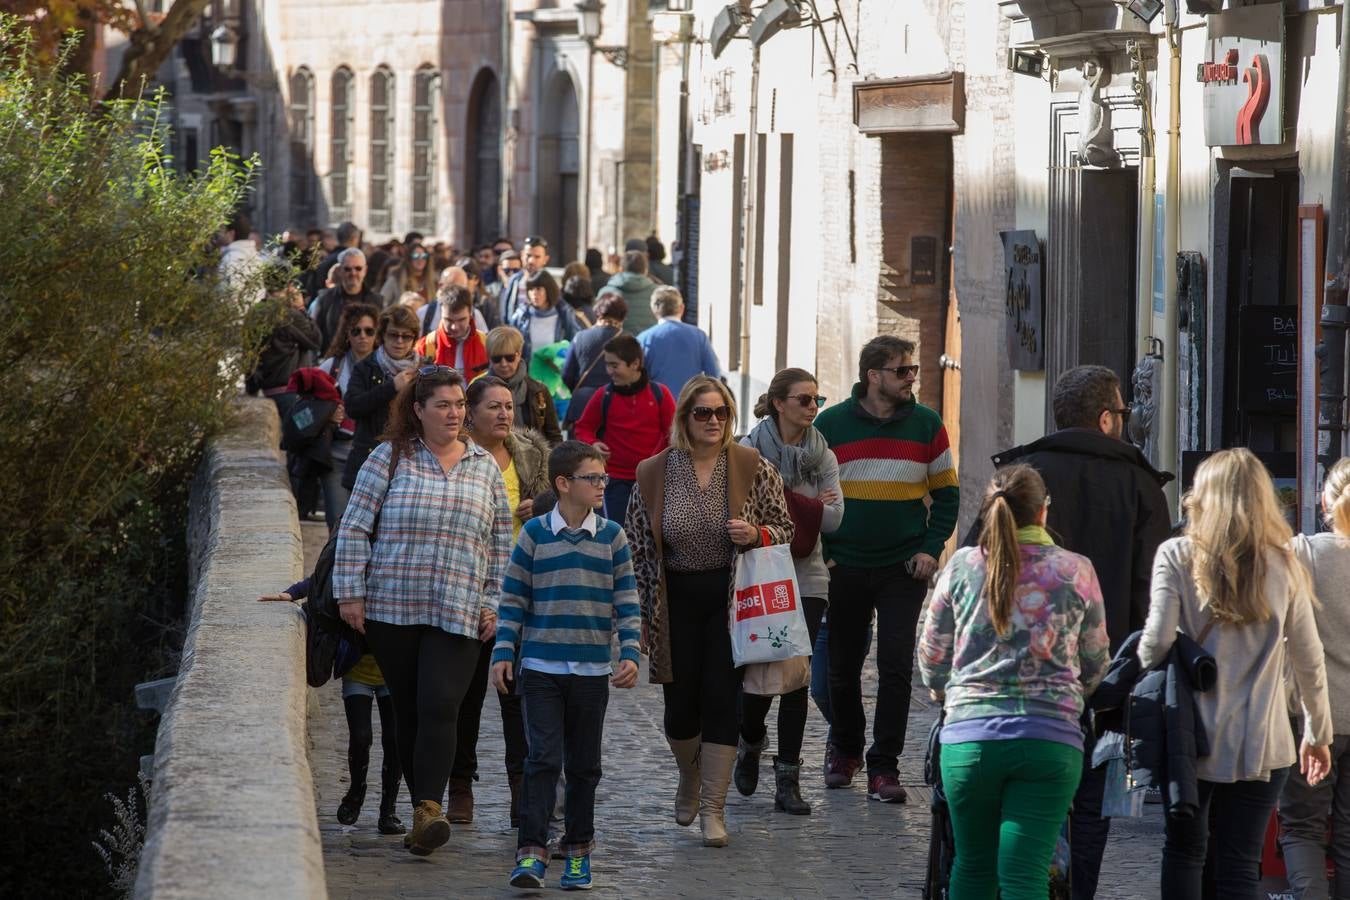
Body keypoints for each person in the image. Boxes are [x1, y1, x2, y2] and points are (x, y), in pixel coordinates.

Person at [977, 363, 1172, 899]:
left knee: (1017, 804)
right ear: (1108, 418)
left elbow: (974, 570)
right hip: (1101, 681)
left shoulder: (1021, 476)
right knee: (1089, 806)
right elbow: (1149, 593)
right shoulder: (1139, 485)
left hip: (1009, 681)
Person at [333, 366, 512, 857]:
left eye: (459, 404)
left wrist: (494, 603)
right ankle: (422, 814)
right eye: (443, 405)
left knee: (440, 704)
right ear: (418, 410)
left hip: (460, 608)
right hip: (393, 607)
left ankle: (429, 806)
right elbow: (353, 528)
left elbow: (500, 545)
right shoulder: (388, 459)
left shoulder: (484, 467)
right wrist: (350, 593)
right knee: (409, 711)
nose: (454, 413)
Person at [1143, 448, 1332, 900]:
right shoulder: (1285, 564)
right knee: (1240, 866)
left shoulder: (1177, 555)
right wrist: (1317, 732)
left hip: (1191, 739)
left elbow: (1155, 645)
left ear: (1201, 497)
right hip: (1263, 744)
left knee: (1185, 852)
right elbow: (1309, 659)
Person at [918, 464, 1110, 899]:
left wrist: (946, 692)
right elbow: (1097, 662)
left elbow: (931, 657)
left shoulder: (962, 566)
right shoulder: (1075, 571)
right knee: (1025, 873)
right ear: (1044, 512)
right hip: (1049, 740)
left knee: (971, 866)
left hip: (970, 739)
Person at [625, 376, 795, 847]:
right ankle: (690, 775)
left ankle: (714, 810)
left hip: (730, 600)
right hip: (674, 599)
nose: (714, 421)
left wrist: (756, 534)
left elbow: (784, 527)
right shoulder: (654, 472)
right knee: (680, 710)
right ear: (685, 418)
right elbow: (638, 547)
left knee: (722, 701)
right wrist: (638, 615)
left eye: (722, 413)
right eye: (703, 413)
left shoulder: (750, 465)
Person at [491, 441, 642, 890]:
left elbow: (628, 602)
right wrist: (503, 653)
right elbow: (513, 600)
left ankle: (578, 853)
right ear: (563, 484)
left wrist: (630, 652)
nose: (601, 485)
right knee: (541, 760)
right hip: (540, 668)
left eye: (603, 478)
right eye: (592, 478)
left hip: (593, 672)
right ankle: (531, 854)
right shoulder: (535, 534)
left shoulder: (612, 536)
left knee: (583, 767)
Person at [814, 334, 958, 802]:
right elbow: (809, 491)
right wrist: (825, 550)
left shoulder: (927, 424)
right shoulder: (831, 424)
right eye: (902, 370)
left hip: (903, 567)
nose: (912, 377)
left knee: (896, 667)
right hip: (845, 564)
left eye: (912, 369)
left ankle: (885, 765)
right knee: (842, 667)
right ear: (873, 375)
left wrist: (931, 548)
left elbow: (947, 495)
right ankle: (846, 748)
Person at [735, 368, 843, 815]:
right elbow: (739, 512)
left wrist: (783, 498)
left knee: (797, 678)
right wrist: (809, 508)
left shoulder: (823, 455)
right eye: (803, 399)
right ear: (778, 403)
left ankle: (788, 780)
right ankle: (750, 739)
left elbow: (837, 519)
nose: (812, 408)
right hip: (760, 574)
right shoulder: (746, 452)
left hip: (808, 576)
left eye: (816, 399)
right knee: (760, 671)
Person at [449, 376, 552, 827]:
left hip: (520, 591)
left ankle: (520, 790)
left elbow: (560, 510)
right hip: (467, 588)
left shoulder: (531, 454)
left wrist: (542, 504)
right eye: (494, 407)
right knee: (465, 695)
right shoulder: (455, 455)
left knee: (517, 695)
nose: (505, 414)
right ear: (470, 412)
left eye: (509, 406)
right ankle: (460, 784)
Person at [258, 578, 404, 835]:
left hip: (394, 671)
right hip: (356, 668)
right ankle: (355, 793)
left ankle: (388, 811)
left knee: (395, 740)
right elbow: (325, 577)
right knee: (360, 737)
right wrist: (291, 593)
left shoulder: (402, 564)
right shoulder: (355, 557)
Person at [1279, 458, 1350, 899]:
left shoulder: (1303, 552)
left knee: (1302, 829)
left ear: (1325, 501)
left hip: (1313, 718)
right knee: (1348, 836)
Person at [573, 334, 676, 521]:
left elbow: (674, 434)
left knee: (652, 537)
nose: (609, 371)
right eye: (607, 365)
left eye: (614, 365)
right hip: (614, 483)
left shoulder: (660, 394)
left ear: (635, 364)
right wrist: (593, 443)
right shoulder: (603, 395)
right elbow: (583, 428)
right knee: (617, 536)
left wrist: (656, 462)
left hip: (652, 481)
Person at [314, 302, 380, 528]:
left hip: (374, 457)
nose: (363, 336)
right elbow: (307, 408)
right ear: (347, 334)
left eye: (369, 331)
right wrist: (326, 414)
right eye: (356, 331)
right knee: (338, 525)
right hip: (337, 456)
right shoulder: (332, 367)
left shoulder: (385, 368)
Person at [341, 305, 420, 490]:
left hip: (411, 461)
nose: (399, 342)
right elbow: (352, 406)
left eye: (406, 336)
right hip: (370, 457)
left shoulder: (424, 370)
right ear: (382, 335)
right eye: (393, 335)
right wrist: (391, 387)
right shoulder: (366, 368)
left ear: (414, 338)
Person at [244, 272, 322, 421]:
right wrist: (300, 308)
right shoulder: (287, 314)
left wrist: (251, 389)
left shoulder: (254, 312)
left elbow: (248, 355)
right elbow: (315, 340)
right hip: (291, 392)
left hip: (267, 390)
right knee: (302, 436)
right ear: (288, 286)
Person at [636, 286, 721, 398]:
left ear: (653, 309)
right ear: (682, 308)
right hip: (690, 403)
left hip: (657, 403)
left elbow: (637, 377)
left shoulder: (644, 338)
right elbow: (713, 373)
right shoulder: (699, 336)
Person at [485, 327, 563, 446]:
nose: (504, 364)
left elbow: (553, 435)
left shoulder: (539, 391)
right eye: (497, 359)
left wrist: (550, 461)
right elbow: (467, 429)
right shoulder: (478, 390)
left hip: (533, 460)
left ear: (519, 354)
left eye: (509, 358)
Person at [561, 293, 626, 435]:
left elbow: (567, 374)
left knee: (578, 454)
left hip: (582, 405)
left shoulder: (580, 337)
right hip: (618, 406)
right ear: (622, 316)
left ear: (597, 312)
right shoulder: (629, 341)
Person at [310, 247, 385, 351]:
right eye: (347, 269)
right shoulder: (324, 299)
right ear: (340, 271)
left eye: (358, 268)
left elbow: (381, 336)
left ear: (365, 270)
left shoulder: (377, 301)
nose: (353, 273)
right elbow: (314, 336)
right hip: (332, 360)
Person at [414, 285, 490, 382]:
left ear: (471, 313)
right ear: (440, 313)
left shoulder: (486, 344)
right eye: (449, 320)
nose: (455, 327)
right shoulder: (424, 347)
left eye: (461, 320)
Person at [510, 270, 582, 361]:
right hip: (527, 372)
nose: (534, 293)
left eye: (538, 289)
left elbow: (575, 343)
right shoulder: (520, 315)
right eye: (531, 289)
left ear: (549, 290)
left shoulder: (564, 313)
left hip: (554, 372)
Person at [600, 249, 658, 334]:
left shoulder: (606, 292)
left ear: (621, 269)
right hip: (650, 345)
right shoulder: (658, 293)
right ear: (645, 270)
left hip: (617, 344)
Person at [501, 236, 550, 326]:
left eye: (537, 257)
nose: (531, 261)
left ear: (545, 259)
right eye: (528, 255)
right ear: (522, 255)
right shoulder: (515, 281)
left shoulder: (551, 283)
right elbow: (506, 313)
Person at [218, 211, 265, 303]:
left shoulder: (232, 258)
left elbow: (231, 295)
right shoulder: (254, 254)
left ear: (231, 233)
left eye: (222, 230)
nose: (219, 234)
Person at [380, 241, 435, 308]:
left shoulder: (432, 280)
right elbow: (382, 300)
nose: (420, 259)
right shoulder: (397, 277)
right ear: (409, 258)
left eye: (423, 256)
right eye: (416, 256)